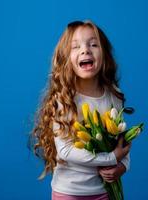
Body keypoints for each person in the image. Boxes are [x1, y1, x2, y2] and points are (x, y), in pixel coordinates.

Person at [32, 20, 131, 200]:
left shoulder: (114, 96)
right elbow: (66, 151)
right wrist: (111, 158)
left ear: (105, 55)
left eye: (93, 44)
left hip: (105, 192)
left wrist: (122, 166)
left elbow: (122, 143)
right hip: (69, 192)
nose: (85, 50)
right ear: (65, 58)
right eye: (75, 47)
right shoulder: (64, 99)